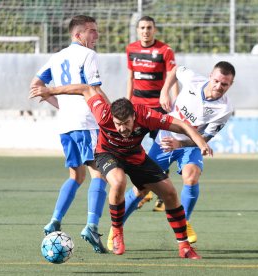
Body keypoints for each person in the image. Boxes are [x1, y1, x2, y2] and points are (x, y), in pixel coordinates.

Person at [29, 83, 214, 259]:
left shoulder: (146, 115)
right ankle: (117, 231)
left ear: (134, 116)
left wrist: (200, 142)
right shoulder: (103, 113)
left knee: (170, 192)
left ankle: (184, 246)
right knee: (118, 181)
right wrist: (50, 91)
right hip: (107, 154)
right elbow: (85, 89)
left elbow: (180, 124)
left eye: (126, 123)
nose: (122, 128)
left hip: (135, 156)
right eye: (118, 124)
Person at [119, 61, 236, 246]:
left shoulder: (225, 109)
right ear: (210, 76)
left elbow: (203, 138)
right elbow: (174, 69)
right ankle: (116, 228)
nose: (219, 87)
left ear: (230, 85)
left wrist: (179, 143)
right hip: (165, 138)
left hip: (189, 144)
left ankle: (184, 221)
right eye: (216, 81)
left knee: (191, 177)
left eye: (225, 84)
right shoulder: (193, 80)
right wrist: (165, 91)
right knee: (141, 188)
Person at [29, 15, 110, 254]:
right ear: (78, 35)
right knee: (100, 175)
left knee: (76, 176)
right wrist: (112, 115)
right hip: (87, 122)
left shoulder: (56, 57)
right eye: (91, 31)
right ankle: (92, 226)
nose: (96, 35)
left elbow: (35, 84)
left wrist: (59, 104)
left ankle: (54, 220)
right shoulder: (88, 55)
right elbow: (93, 89)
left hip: (66, 126)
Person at [126, 15, 179, 212]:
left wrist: (175, 105)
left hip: (158, 109)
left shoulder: (165, 50)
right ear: (138, 30)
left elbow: (174, 77)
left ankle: (163, 193)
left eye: (149, 27)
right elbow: (130, 78)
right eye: (142, 28)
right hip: (138, 109)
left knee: (164, 150)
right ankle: (143, 189)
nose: (145, 31)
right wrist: (127, 102)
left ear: (154, 30)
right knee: (132, 151)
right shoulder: (131, 49)